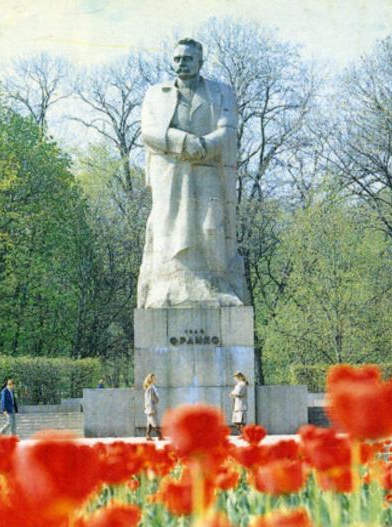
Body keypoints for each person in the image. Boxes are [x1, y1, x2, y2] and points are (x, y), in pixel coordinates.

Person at [137, 37, 248, 308]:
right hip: (171, 173)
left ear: (200, 61)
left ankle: (216, 283)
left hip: (207, 168)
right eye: (176, 59)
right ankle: (169, 286)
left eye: (187, 58)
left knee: (211, 225)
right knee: (171, 228)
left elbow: (228, 128)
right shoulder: (156, 93)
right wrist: (183, 141)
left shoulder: (221, 91)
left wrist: (204, 146)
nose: (181, 64)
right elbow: (148, 132)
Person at [143, 373, 162, 440]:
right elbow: (150, 399)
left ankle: (147, 436)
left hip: (150, 408)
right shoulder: (151, 388)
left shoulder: (150, 387)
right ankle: (160, 436)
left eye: (154, 378)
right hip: (151, 408)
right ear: (150, 379)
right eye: (153, 378)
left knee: (150, 422)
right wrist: (150, 408)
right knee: (155, 422)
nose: (154, 379)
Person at [229, 371, 249, 435]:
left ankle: (243, 433)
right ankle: (241, 433)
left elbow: (239, 393)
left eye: (236, 378)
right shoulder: (239, 384)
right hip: (237, 405)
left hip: (241, 405)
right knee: (236, 421)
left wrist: (232, 393)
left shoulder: (242, 384)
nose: (235, 379)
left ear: (239, 377)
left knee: (241, 421)